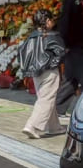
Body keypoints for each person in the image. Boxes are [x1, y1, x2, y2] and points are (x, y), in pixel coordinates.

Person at [19, 9, 66, 139]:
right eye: (52, 19)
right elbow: (61, 53)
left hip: (36, 73)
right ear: (48, 21)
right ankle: (32, 126)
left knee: (46, 98)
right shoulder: (53, 36)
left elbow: (22, 52)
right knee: (46, 99)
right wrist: (52, 64)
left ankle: (54, 127)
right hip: (49, 71)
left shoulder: (31, 37)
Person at [55, 0, 83, 117]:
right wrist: (65, 44)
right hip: (73, 46)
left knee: (71, 79)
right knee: (73, 77)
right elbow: (65, 24)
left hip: (79, 46)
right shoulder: (72, 1)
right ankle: (58, 109)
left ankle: (58, 109)